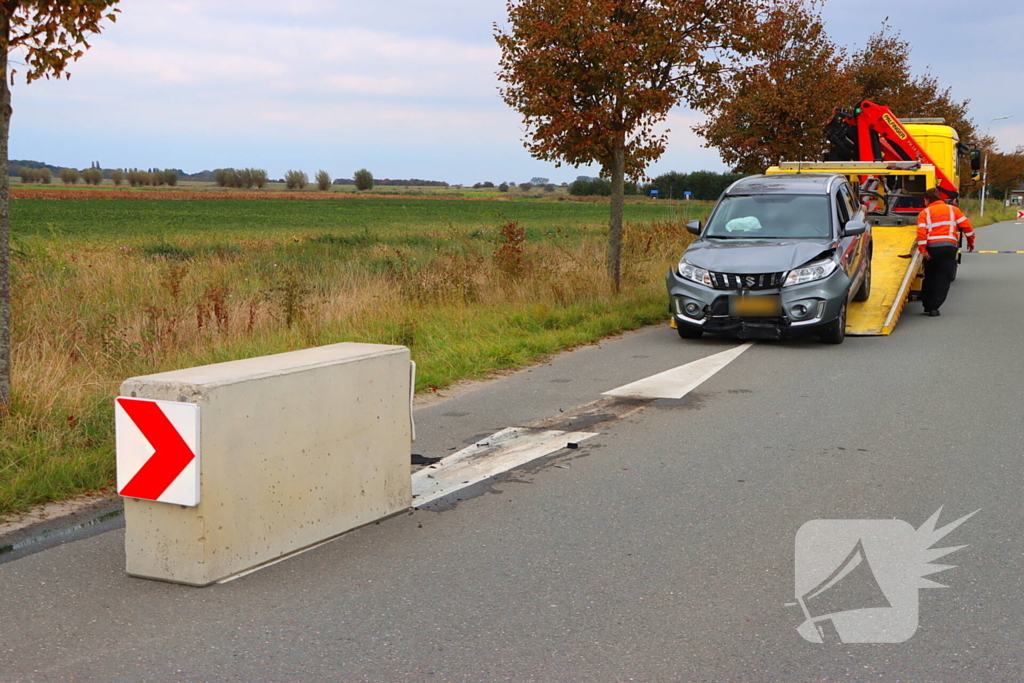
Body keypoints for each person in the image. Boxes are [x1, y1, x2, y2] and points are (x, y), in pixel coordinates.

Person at [916, 188, 975, 316]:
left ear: (927, 199)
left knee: (930, 276)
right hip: (949, 248)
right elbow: (967, 227)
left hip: (932, 249)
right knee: (943, 277)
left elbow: (921, 233)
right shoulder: (953, 210)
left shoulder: (925, 213)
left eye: (924, 200)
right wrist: (970, 241)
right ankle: (934, 307)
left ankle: (927, 304)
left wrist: (923, 250)